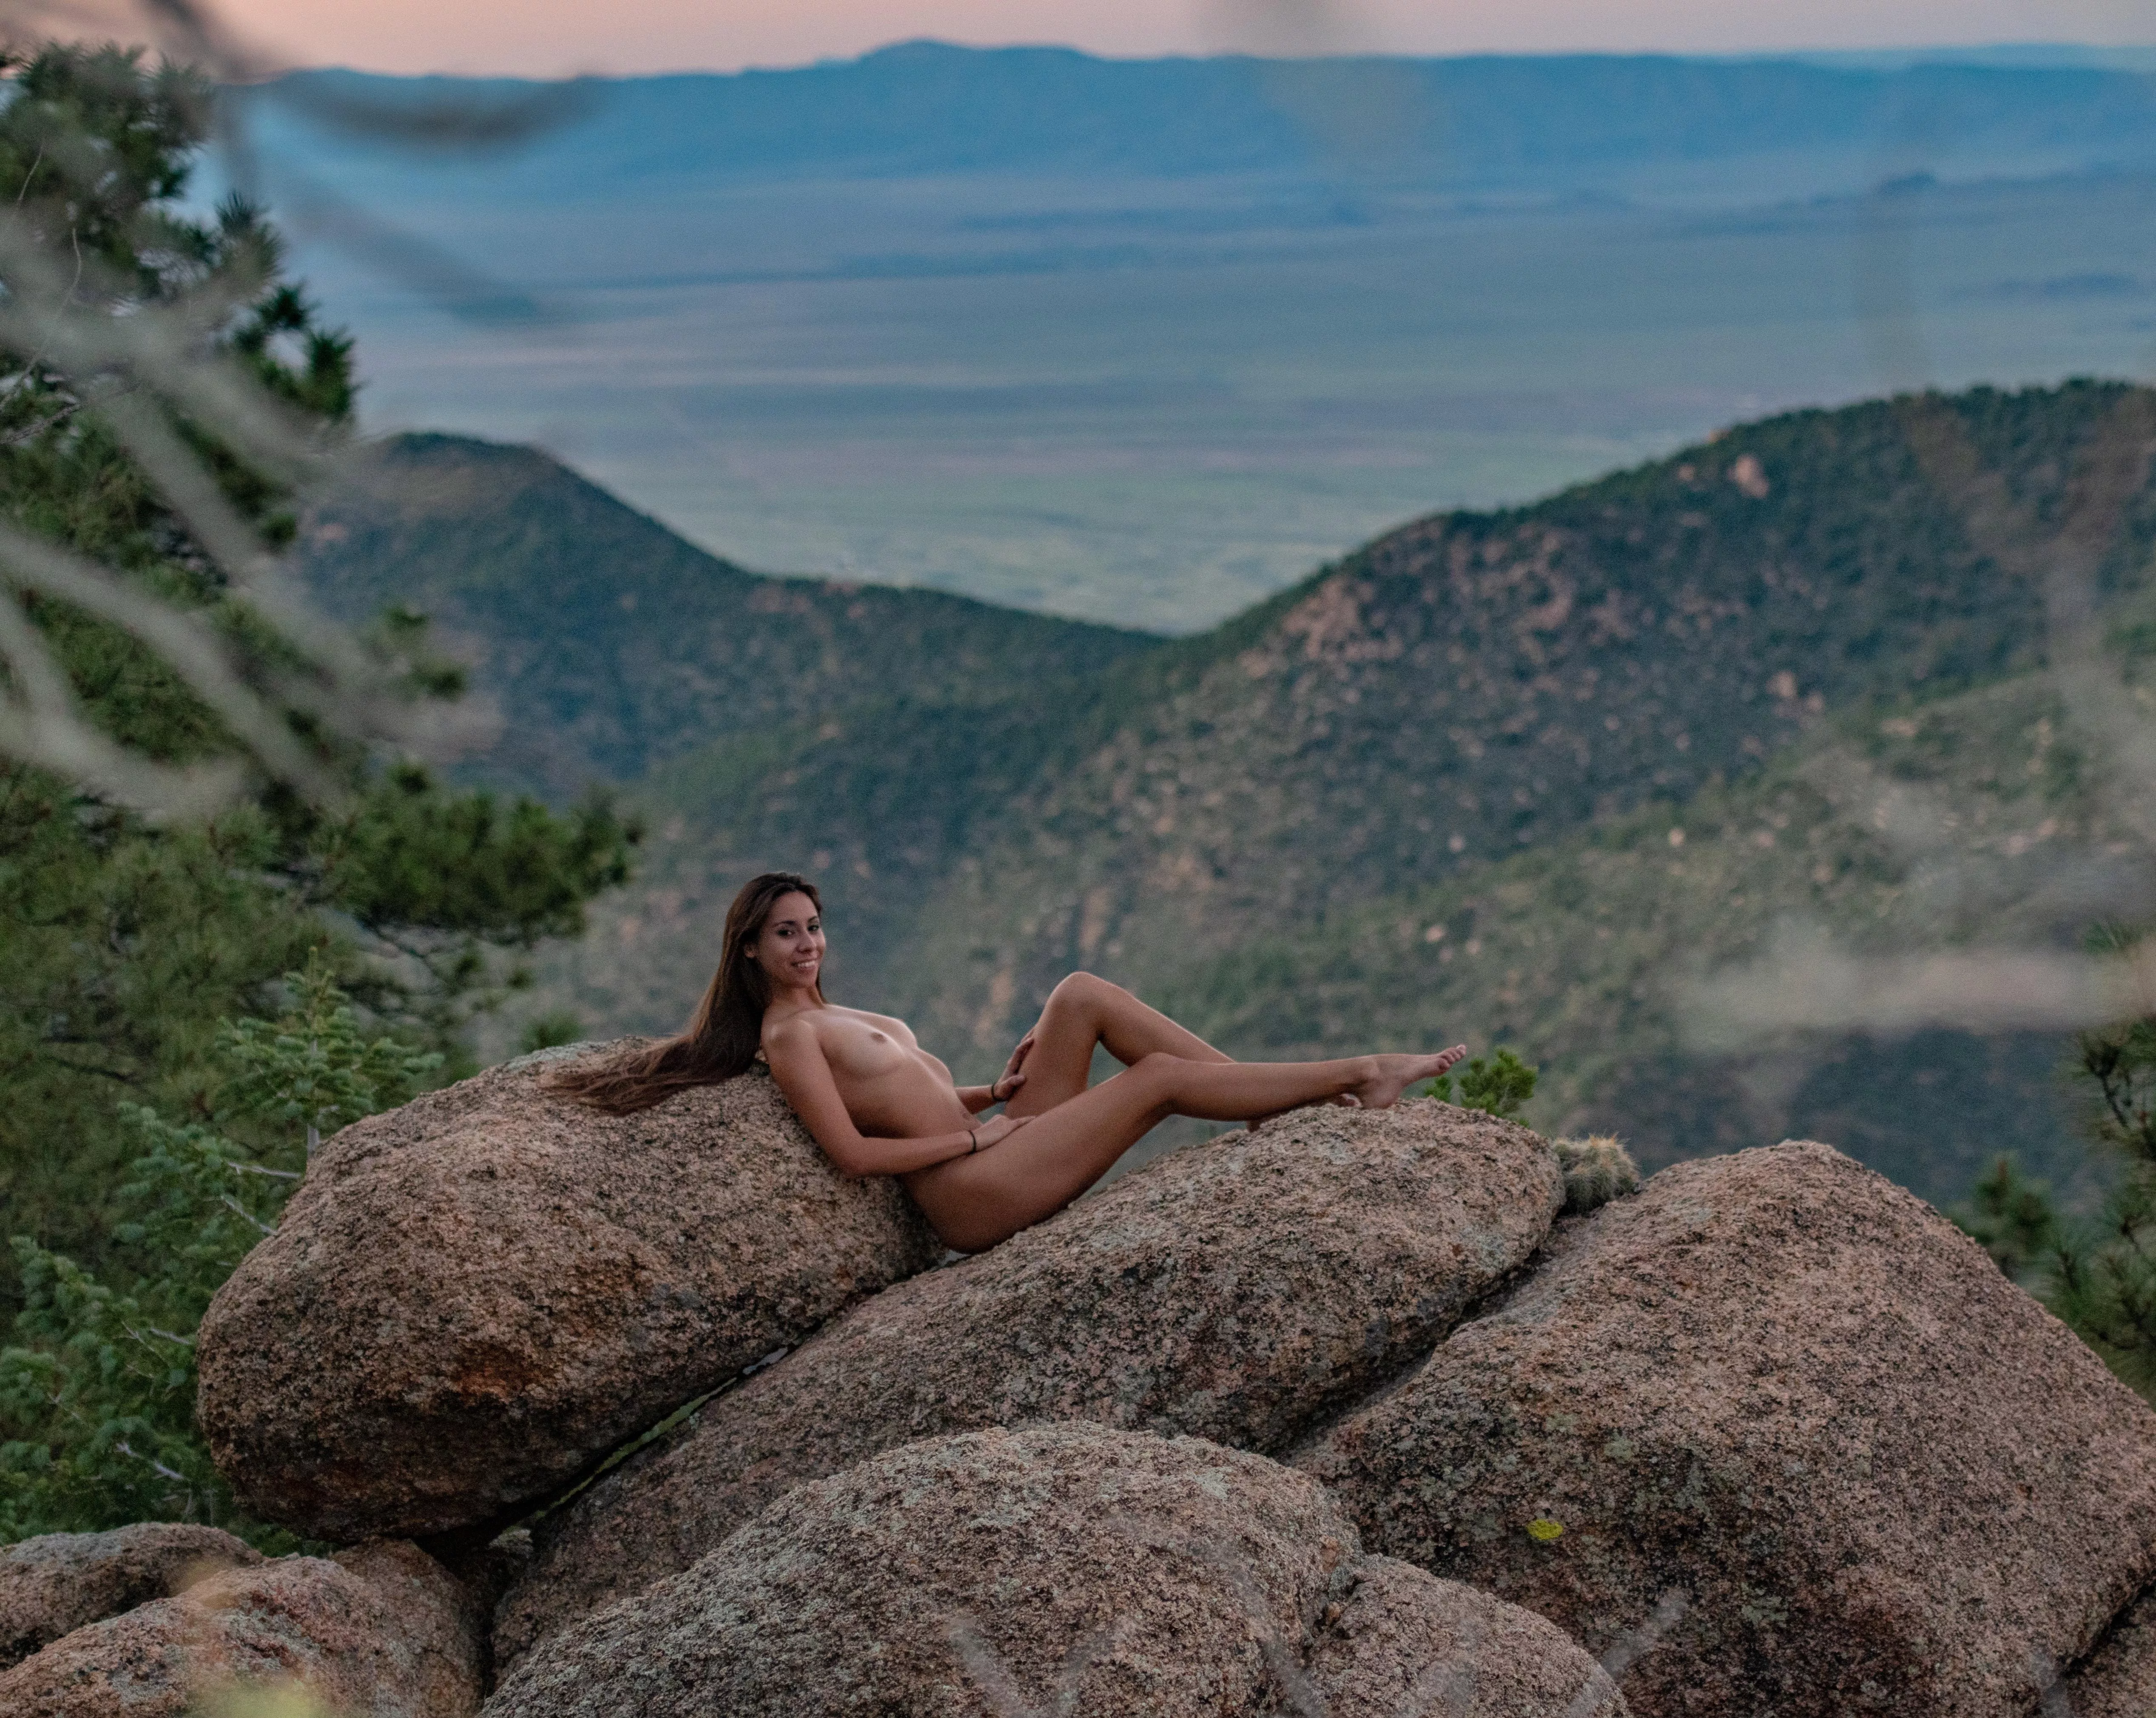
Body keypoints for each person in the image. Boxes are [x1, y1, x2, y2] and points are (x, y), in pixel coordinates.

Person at [545, 871, 1468, 1253]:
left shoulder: (833, 1010)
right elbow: (856, 1155)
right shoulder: (788, 1038)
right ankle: (1359, 1072)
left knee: (1081, 994)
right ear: (748, 948)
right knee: (1154, 1084)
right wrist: (961, 1143)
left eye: (815, 927)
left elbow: (916, 1095)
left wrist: (993, 1094)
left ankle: (1262, 1103)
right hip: (967, 1192)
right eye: (786, 934)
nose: (808, 944)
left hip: (987, 1136)